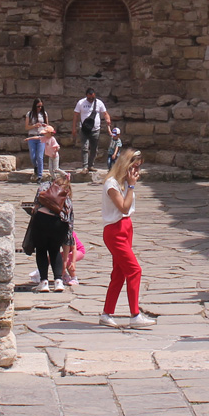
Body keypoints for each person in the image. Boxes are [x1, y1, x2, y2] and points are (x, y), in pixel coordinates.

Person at [98, 148, 155, 328]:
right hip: (115, 231)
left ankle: (106, 313)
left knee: (119, 273)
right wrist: (131, 186)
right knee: (134, 270)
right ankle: (135, 314)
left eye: (139, 167)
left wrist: (129, 185)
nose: (137, 171)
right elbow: (123, 207)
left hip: (125, 227)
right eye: (134, 166)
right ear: (126, 165)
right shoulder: (112, 184)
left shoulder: (122, 183)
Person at [30, 171, 72, 291]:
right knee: (55, 251)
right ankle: (58, 281)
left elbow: (36, 202)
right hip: (59, 224)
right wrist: (68, 241)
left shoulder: (45, 186)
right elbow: (70, 220)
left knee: (41, 250)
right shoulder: (67, 196)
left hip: (41, 219)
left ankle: (44, 282)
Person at [72, 88, 112, 172]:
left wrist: (108, 119)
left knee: (94, 149)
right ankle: (85, 166)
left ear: (94, 95)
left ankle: (91, 165)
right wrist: (74, 128)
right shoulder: (81, 103)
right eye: (89, 98)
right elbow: (76, 115)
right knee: (84, 147)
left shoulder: (99, 103)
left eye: (92, 98)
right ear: (86, 96)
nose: (91, 99)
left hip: (95, 129)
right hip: (84, 129)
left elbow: (105, 113)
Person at [25, 99, 53, 182]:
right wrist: (34, 126)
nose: (40, 108)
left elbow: (48, 126)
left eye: (41, 106)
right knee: (33, 156)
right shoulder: (30, 114)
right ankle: (36, 167)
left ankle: (40, 175)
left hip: (41, 137)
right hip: (32, 136)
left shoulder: (44, 114)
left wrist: (44, 126)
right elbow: (26, 127)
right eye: (38, 106)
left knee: (40, 156)